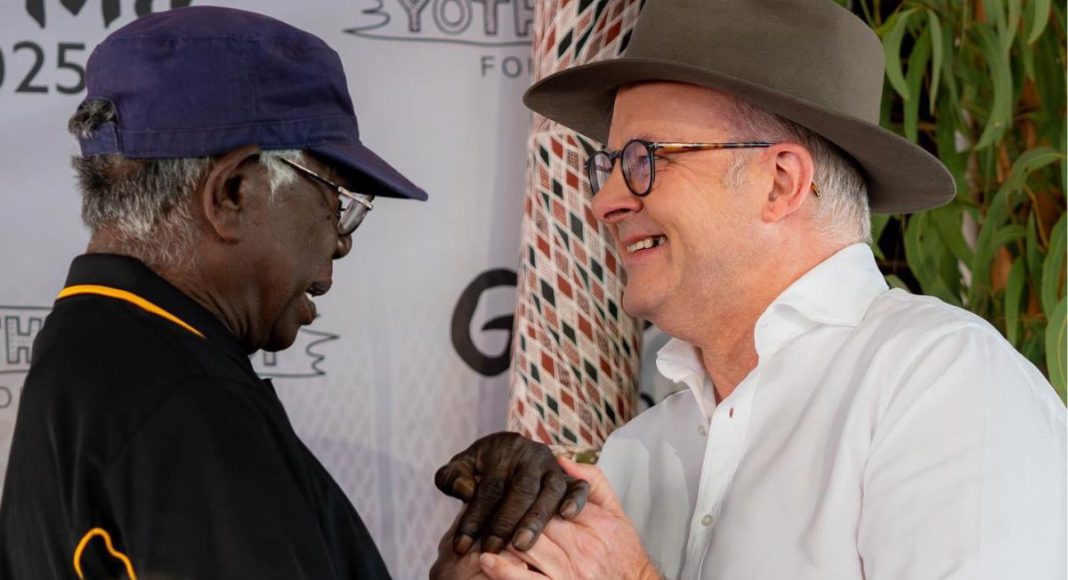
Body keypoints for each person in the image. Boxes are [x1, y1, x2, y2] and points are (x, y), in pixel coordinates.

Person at [435, 0, 1068, 578]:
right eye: (607, 163)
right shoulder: (639, 453)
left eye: (644, 159)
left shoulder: (941, 382)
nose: (604, 201)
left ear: (781, 182)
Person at [0, 7, 586, 579]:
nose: (341, 241)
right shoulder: (182, 402)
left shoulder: (101, 356)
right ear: (231, 191)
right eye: (336, 200)